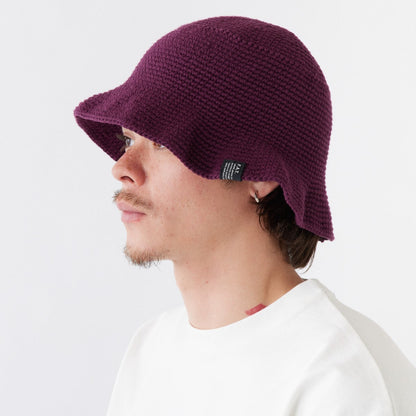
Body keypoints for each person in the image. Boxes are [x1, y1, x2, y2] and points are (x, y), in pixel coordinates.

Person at [73, 15, 416, 415]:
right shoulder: (150, 352)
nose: (122, 167)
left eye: (163, 143)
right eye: (129, 140)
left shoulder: (336, 377)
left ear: (259, 175)